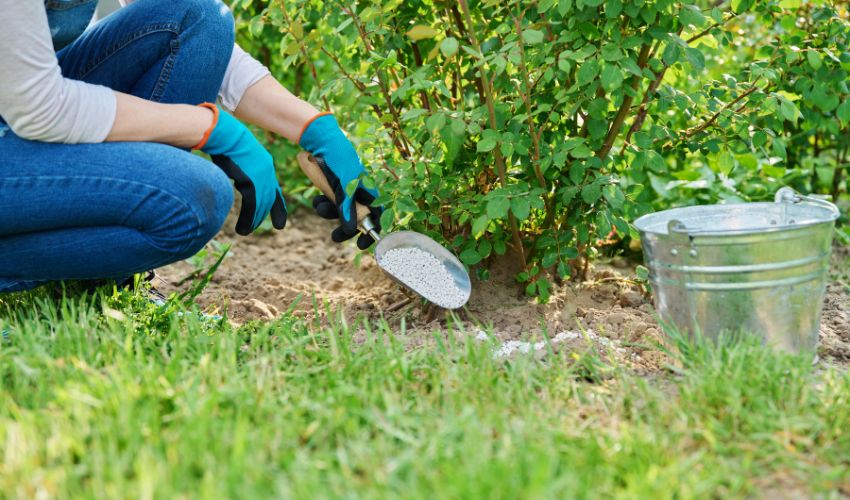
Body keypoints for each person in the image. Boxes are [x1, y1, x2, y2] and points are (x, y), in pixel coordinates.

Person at [0, 0, 382, 294]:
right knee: (194, 200)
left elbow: (191, 27)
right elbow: (40, 107)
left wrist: (314, 129)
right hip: (25, 114)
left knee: (201, 16)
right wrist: (206, 128)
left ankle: (106, 275)